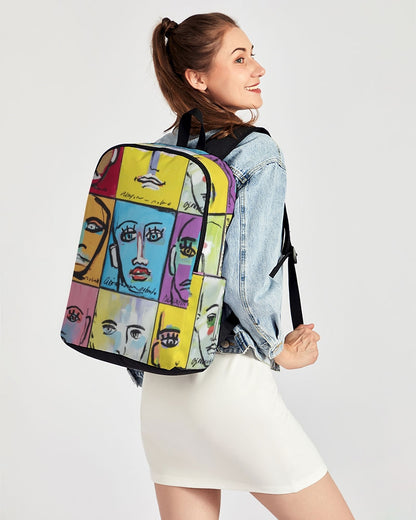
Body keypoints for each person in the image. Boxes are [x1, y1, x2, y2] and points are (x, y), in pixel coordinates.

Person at [138, 13, 355, 519]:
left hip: (163, 392)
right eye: (240, 59)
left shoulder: (157, 155)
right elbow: (244, 282)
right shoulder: (256, 152)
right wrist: (276, 352)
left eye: (252, 55)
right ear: (197, 78)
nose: (258, 68)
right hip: (230, 387)